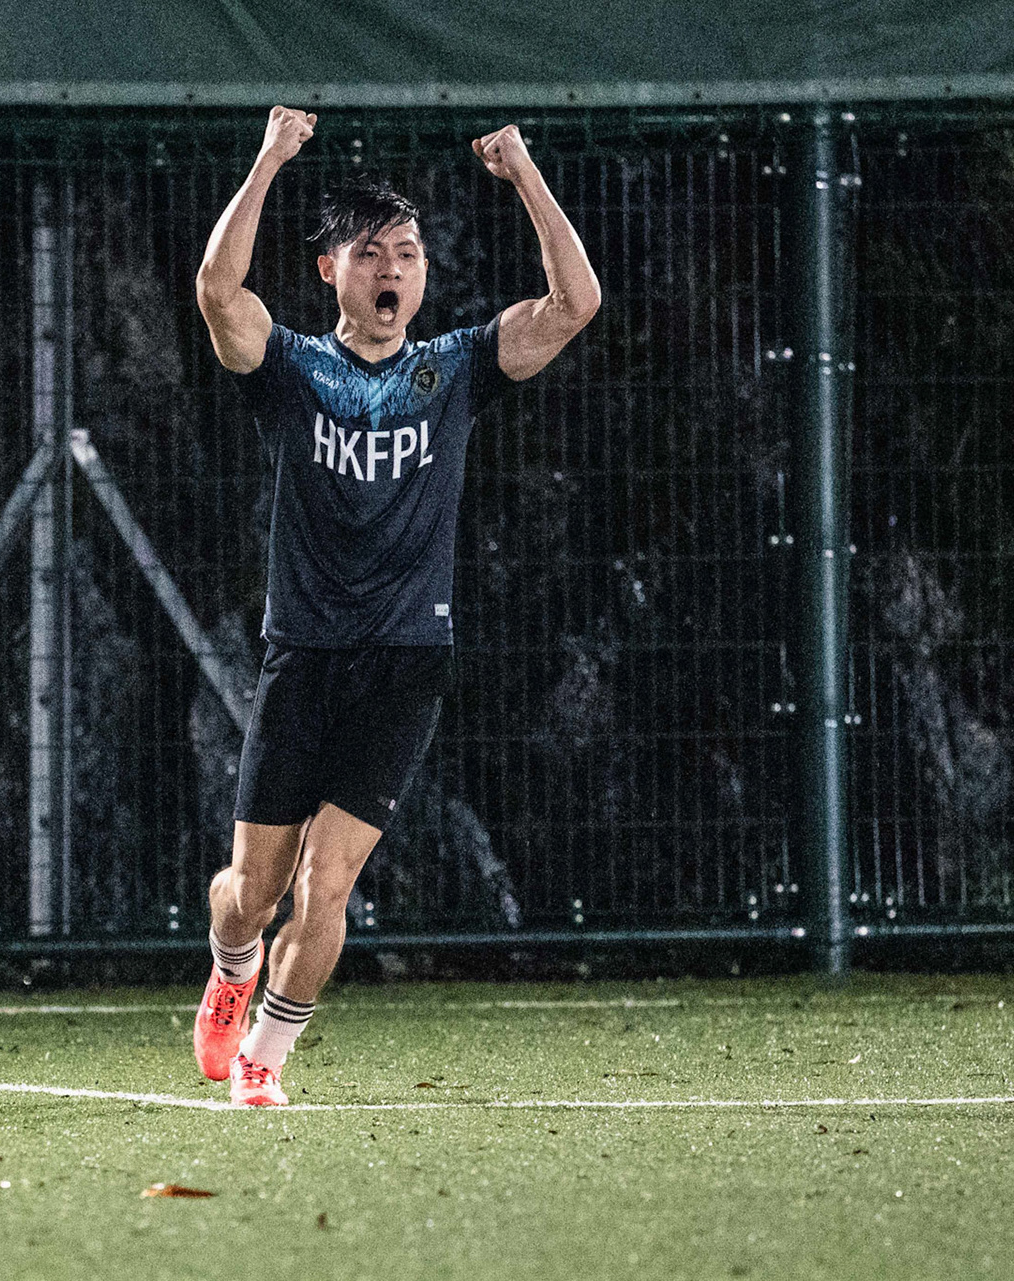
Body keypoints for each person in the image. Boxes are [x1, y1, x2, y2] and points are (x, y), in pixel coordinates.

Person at [191, 106, 600, 1106]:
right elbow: (216, 290)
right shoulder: (293, 368)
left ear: (422, 275)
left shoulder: (452, 368)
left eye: (408, 253)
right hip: (305, 655)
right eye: (371, 252)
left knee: (328, 888)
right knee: (256, 891)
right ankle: (230, 967)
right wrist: (271, 157)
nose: (393, 269)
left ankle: (264, 1065)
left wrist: (526, 172)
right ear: (331, 270)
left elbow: (575, 302)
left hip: (407, 660)